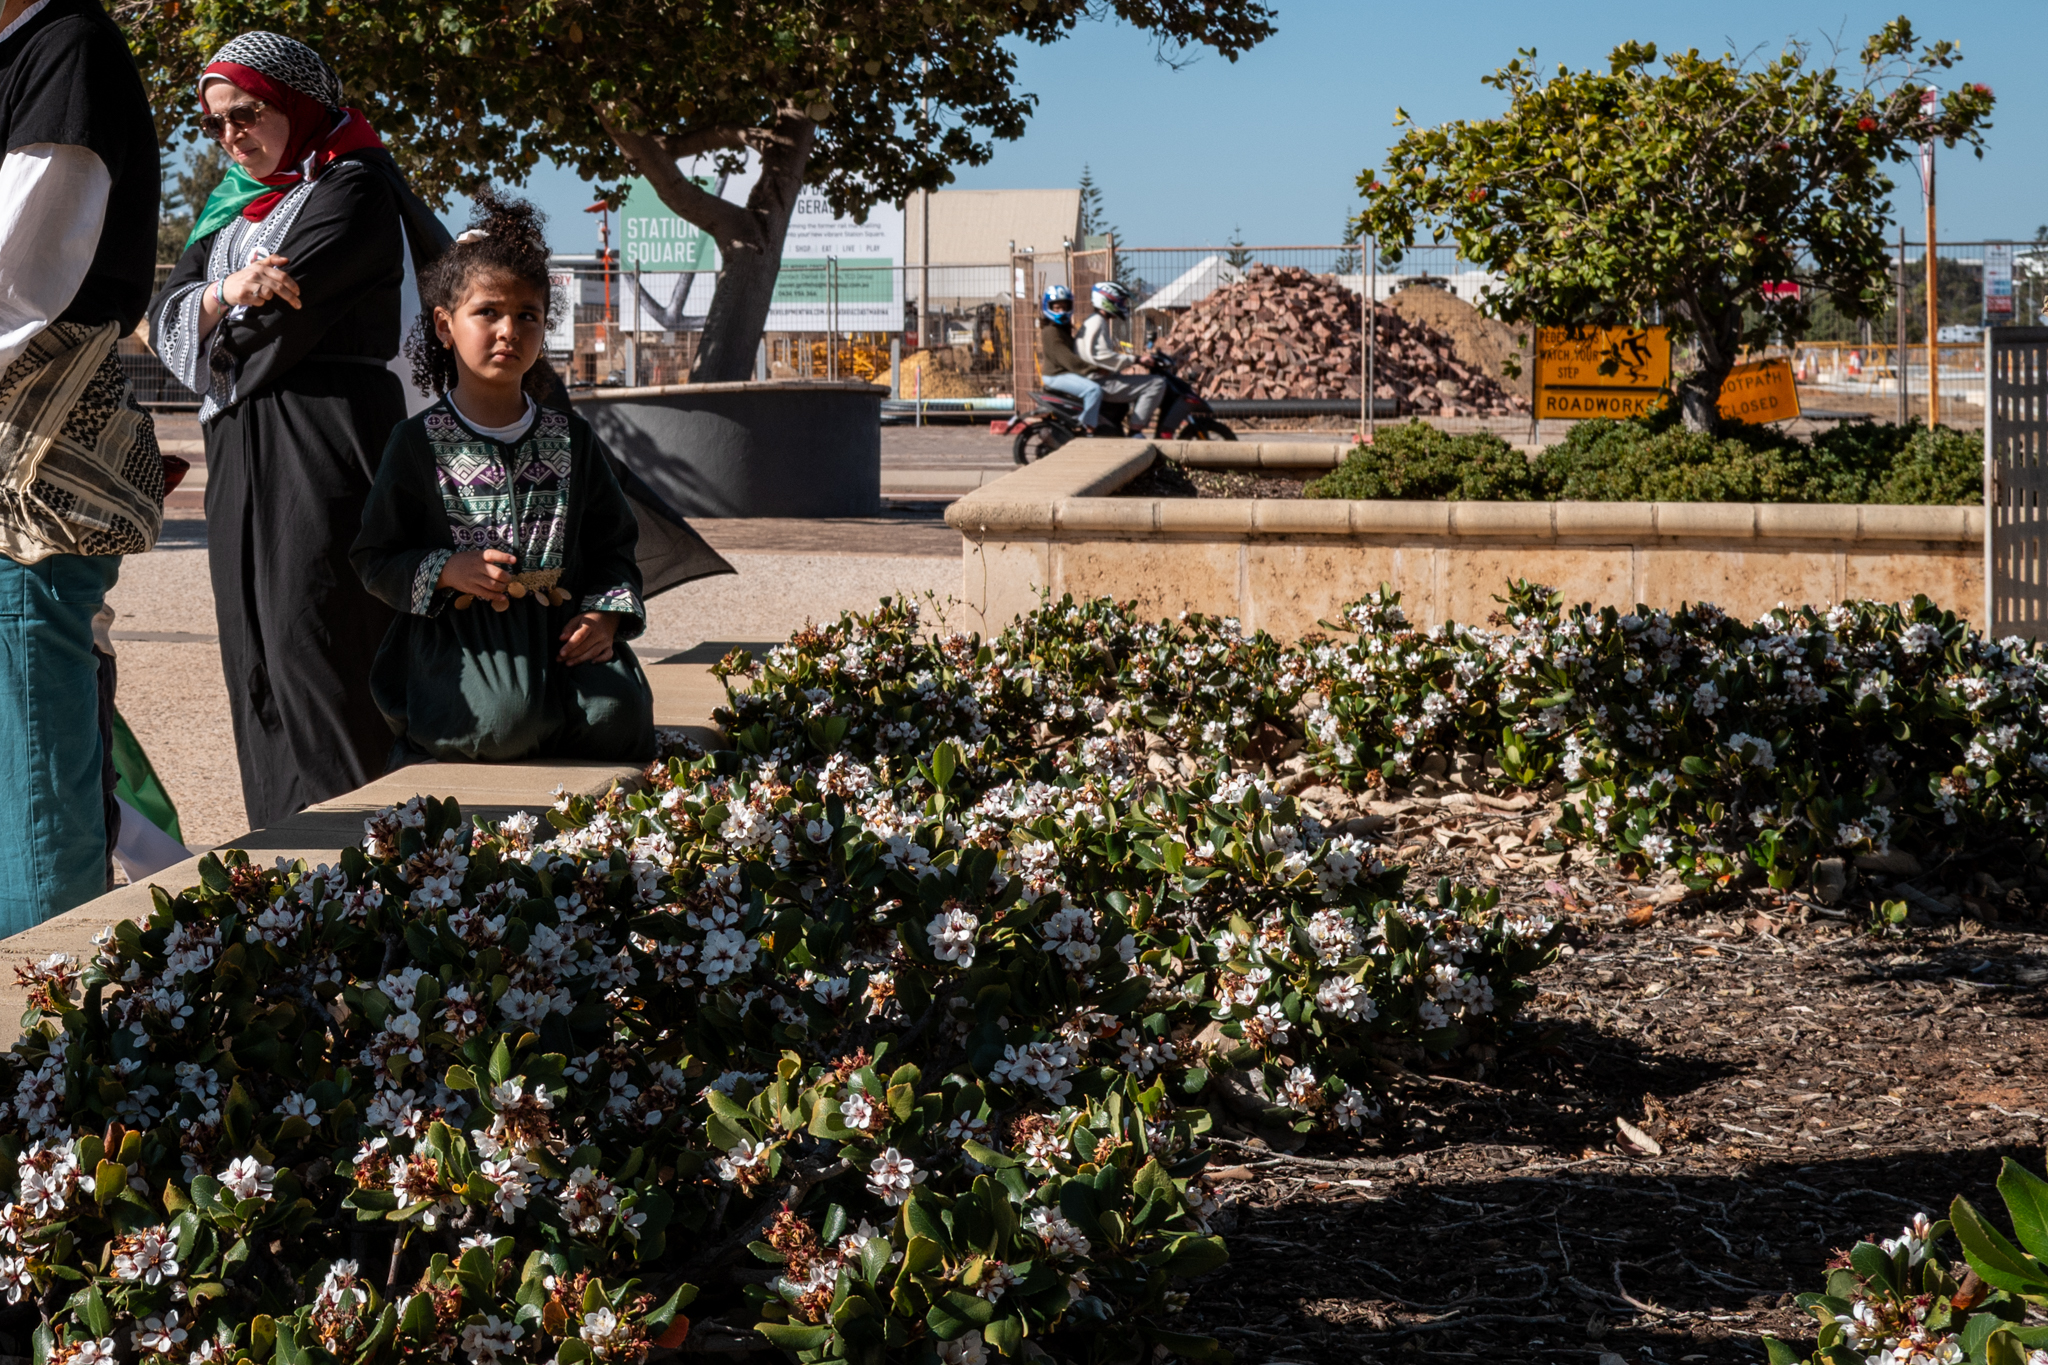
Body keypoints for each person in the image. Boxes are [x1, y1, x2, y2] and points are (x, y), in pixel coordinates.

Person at [147, 31, 451, 829]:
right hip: (241, 450)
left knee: (319, 650)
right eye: (213, 125)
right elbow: (162, 322)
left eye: (244, 114)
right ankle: (287, 866)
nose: (230, 137)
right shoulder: (234, 210)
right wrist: (227, 295)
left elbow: (263, 334)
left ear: (296, 102)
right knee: (257, 664)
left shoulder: (353, 189)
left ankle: (368, 863)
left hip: (327, 449)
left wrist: (213, 311)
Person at [350, 193, 654, 766]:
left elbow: (615, 546)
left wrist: (605, 616)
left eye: (527, 315)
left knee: (619, 718)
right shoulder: (415, 444)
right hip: (466, 643)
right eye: (487, 312)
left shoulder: (574, 439)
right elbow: (375, 557)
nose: (508, 330)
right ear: (445, 326)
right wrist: (446, 570)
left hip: (565, 634)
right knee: (501, 725)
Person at [0, 0, 165, 929]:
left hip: (32, 469)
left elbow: (15, 274)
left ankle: (40, 1027)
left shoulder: (66, 47)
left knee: (30, 748)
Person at [1077, 281, 1168, 437]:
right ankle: (1135, 431)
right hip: (1099, 380)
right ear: (1107, 300)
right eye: (1120, 301)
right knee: (1156, 383)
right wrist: (1136, 359)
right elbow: (1101, 356)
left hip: (1097, 377)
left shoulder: (1094, 321)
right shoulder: (1098, 322)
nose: (1123, 305)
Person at [1036, 284, 1115, 434]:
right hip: (1056, 375)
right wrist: (1095, 368)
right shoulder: (1051, 331)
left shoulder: (1061, 328)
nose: (1061, 311)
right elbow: (1067, 359)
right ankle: (1088, 428)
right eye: (1057, 308)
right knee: (1093, 390)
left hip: (1063, 373)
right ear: (1048, 308)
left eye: (1065, 307)